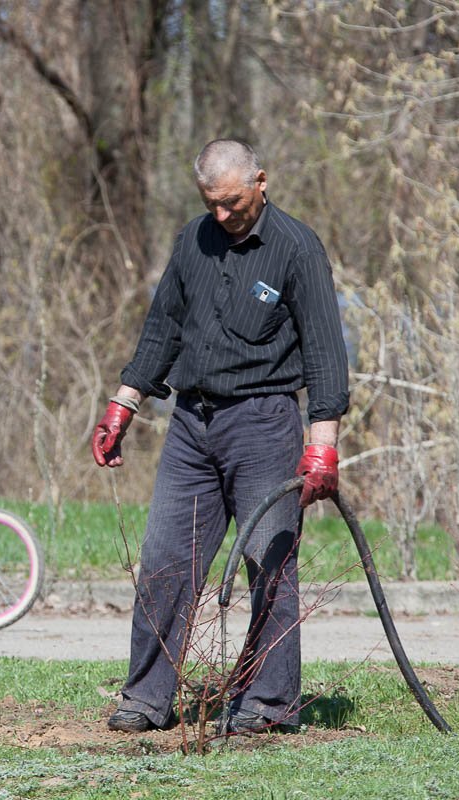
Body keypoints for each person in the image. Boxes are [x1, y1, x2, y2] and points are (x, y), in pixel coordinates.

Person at [92, 139, 349, 735]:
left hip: (264, 425)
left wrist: (324, 441)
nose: (223, 216)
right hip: (190, 427)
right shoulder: (194, 239)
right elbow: (163, 328)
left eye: (232, 202)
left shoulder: (297, 248)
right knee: (164, 563)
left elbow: (325, 353)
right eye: (212, 203)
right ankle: (147, 699)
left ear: (261, 181)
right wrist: (123, 403)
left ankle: (265, 703)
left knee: (269, 564)